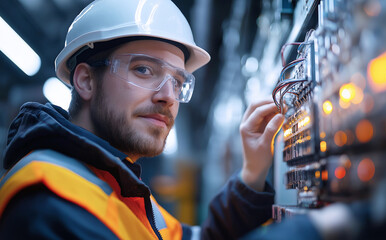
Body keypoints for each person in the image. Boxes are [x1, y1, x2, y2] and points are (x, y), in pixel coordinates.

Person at [0, 0, 286, 239]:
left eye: (177, 81)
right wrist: (315, 229)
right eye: (144, 70)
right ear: (86, 80)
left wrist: (253, 172)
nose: (168, 96)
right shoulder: (48, 201)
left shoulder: (122, 190)